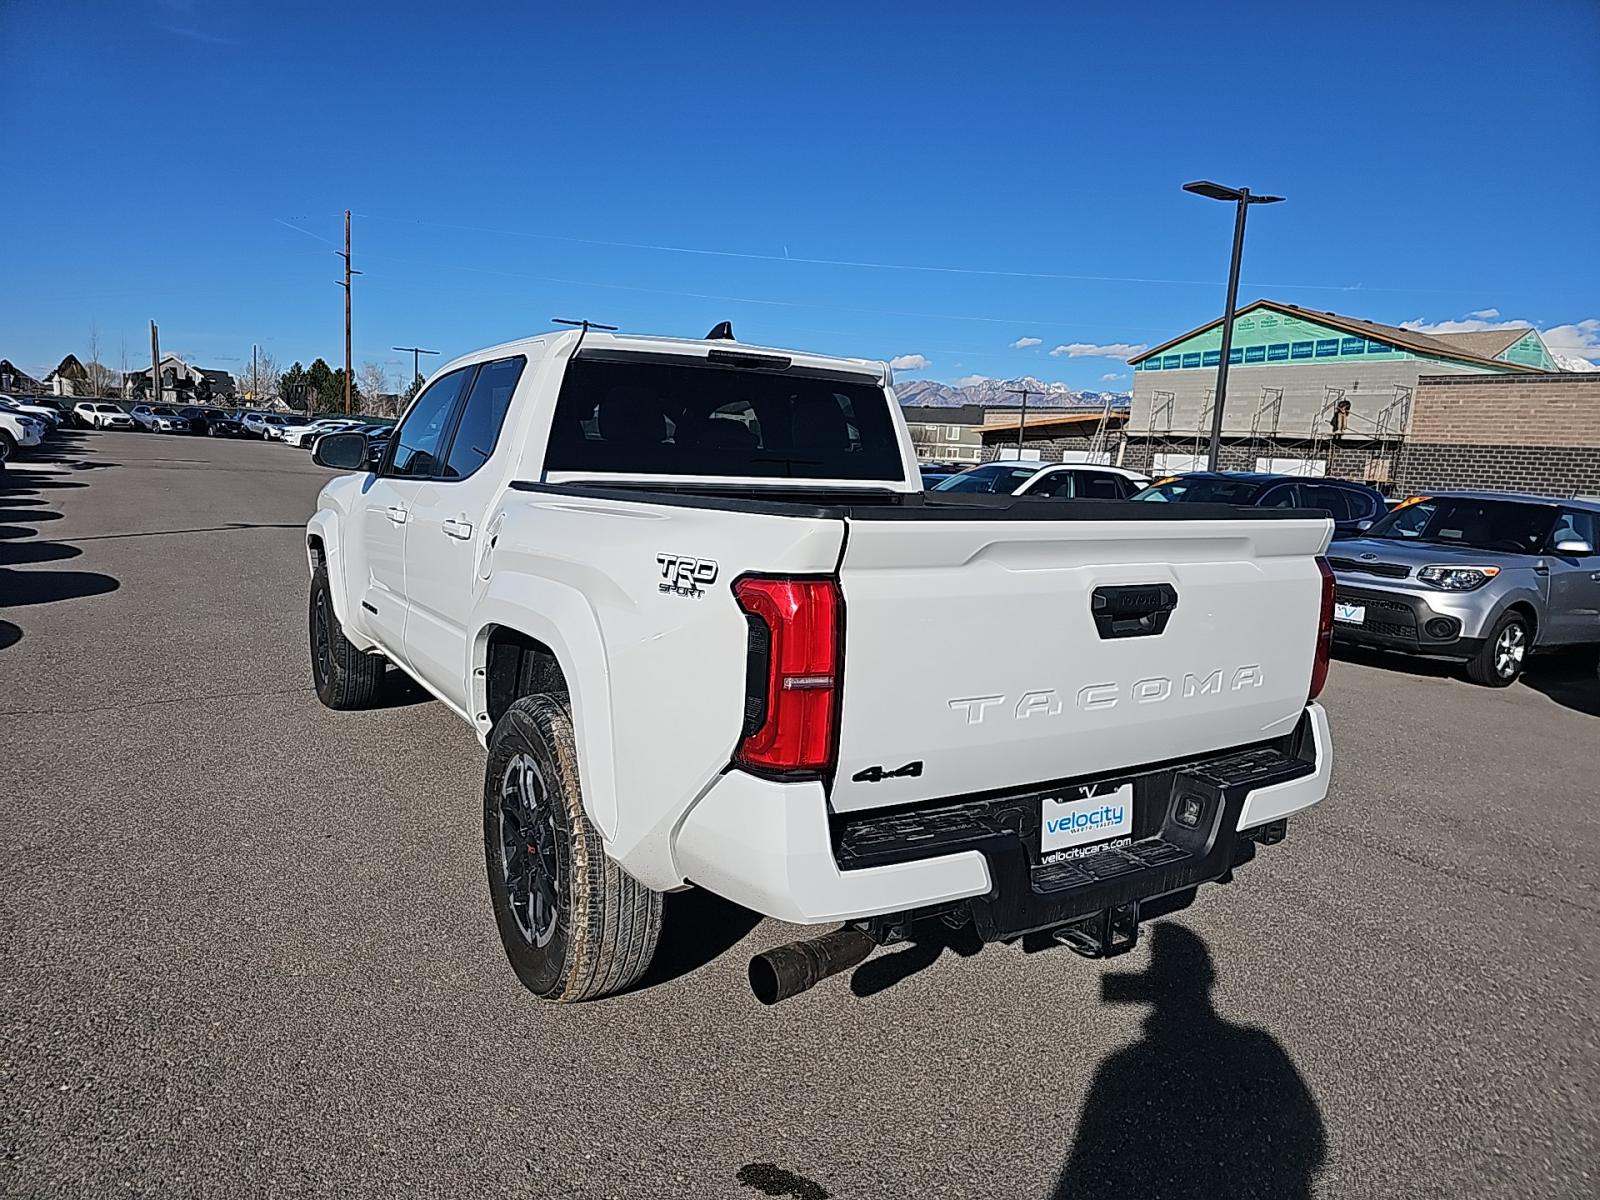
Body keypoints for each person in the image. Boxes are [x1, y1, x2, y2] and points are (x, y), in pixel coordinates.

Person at [1055, 923, 1326, 1199]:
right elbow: (1312, 1144)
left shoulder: (1122, 1067)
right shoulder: (1259, 1047)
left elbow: (1084, 1165)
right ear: (1207, 977)